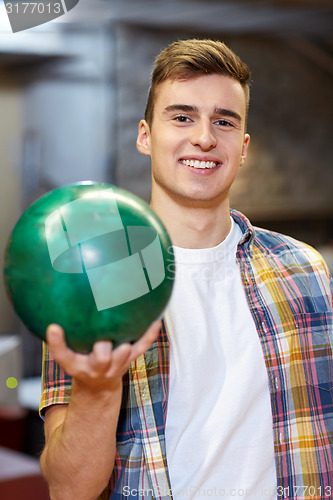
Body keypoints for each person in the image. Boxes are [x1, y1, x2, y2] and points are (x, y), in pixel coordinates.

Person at [39, 39, 333, 500]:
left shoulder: (305, 271)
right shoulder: (88, 282)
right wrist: (97, 389)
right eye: (182, 117)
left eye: (224, 121)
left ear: (243, 147)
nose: (204, 137)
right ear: (144, 135)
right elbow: (69, 489)